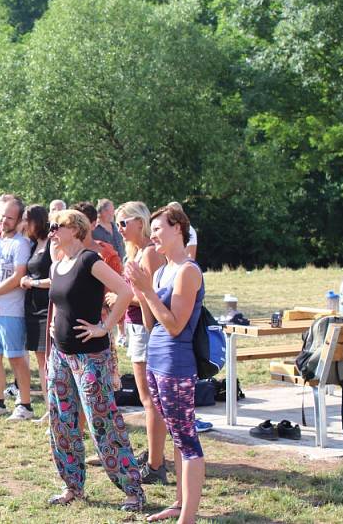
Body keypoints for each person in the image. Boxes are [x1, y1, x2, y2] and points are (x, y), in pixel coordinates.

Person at [45, 210, 144, 511]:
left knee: (102, 421)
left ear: (74, 230)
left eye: (56, 227)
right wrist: (51, 338)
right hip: (61, 354)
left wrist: (105, 326)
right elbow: (58, 304)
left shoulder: (90, 260)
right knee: (61, 422)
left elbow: (125, 291)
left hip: (91, 356)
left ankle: (131, 490)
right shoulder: (57, 263)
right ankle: (72, 485)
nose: (51, 232)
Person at [126, 205, 205, 524]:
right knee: (176, 433)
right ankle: (178, 502)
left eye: (157, 228)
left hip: (177, 363)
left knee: (187, 440)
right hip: (155, 360)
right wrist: (142, 293)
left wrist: (147, 292)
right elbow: (151, 323)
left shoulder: (189, 270)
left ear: (178, 229)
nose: (152, 234)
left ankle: (188, 516)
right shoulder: (161, 271)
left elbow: (174, 326)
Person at [108, 202, 168, 484]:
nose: (119, 229)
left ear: (139, 222)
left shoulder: (150, 253)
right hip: (136, 327)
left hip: (146, 328)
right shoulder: (138, 252)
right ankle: (156, 454)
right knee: (148, 398)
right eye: (117, 224)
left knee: (150, 400)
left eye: (123, 223)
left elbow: (151, 297)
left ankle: (156, 464)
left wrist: (120, 298)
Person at [0, 197, 34, 421]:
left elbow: (18, 276)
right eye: (2, 216)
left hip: (11, 310)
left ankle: (25, 404)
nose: (4, 221)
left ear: (19, 219)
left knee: (16, 359)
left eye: (10, 217)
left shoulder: (20, 244)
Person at [18, 205, 52, 421]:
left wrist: (33, 282)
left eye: (25, 220)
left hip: (47, 307)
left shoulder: (52, 243)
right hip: (32, 307)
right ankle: (50, 408)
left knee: (49, 360)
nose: (23, 224)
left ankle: (56, 408)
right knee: (41, 360)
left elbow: (58, 277)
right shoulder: (32, 244)